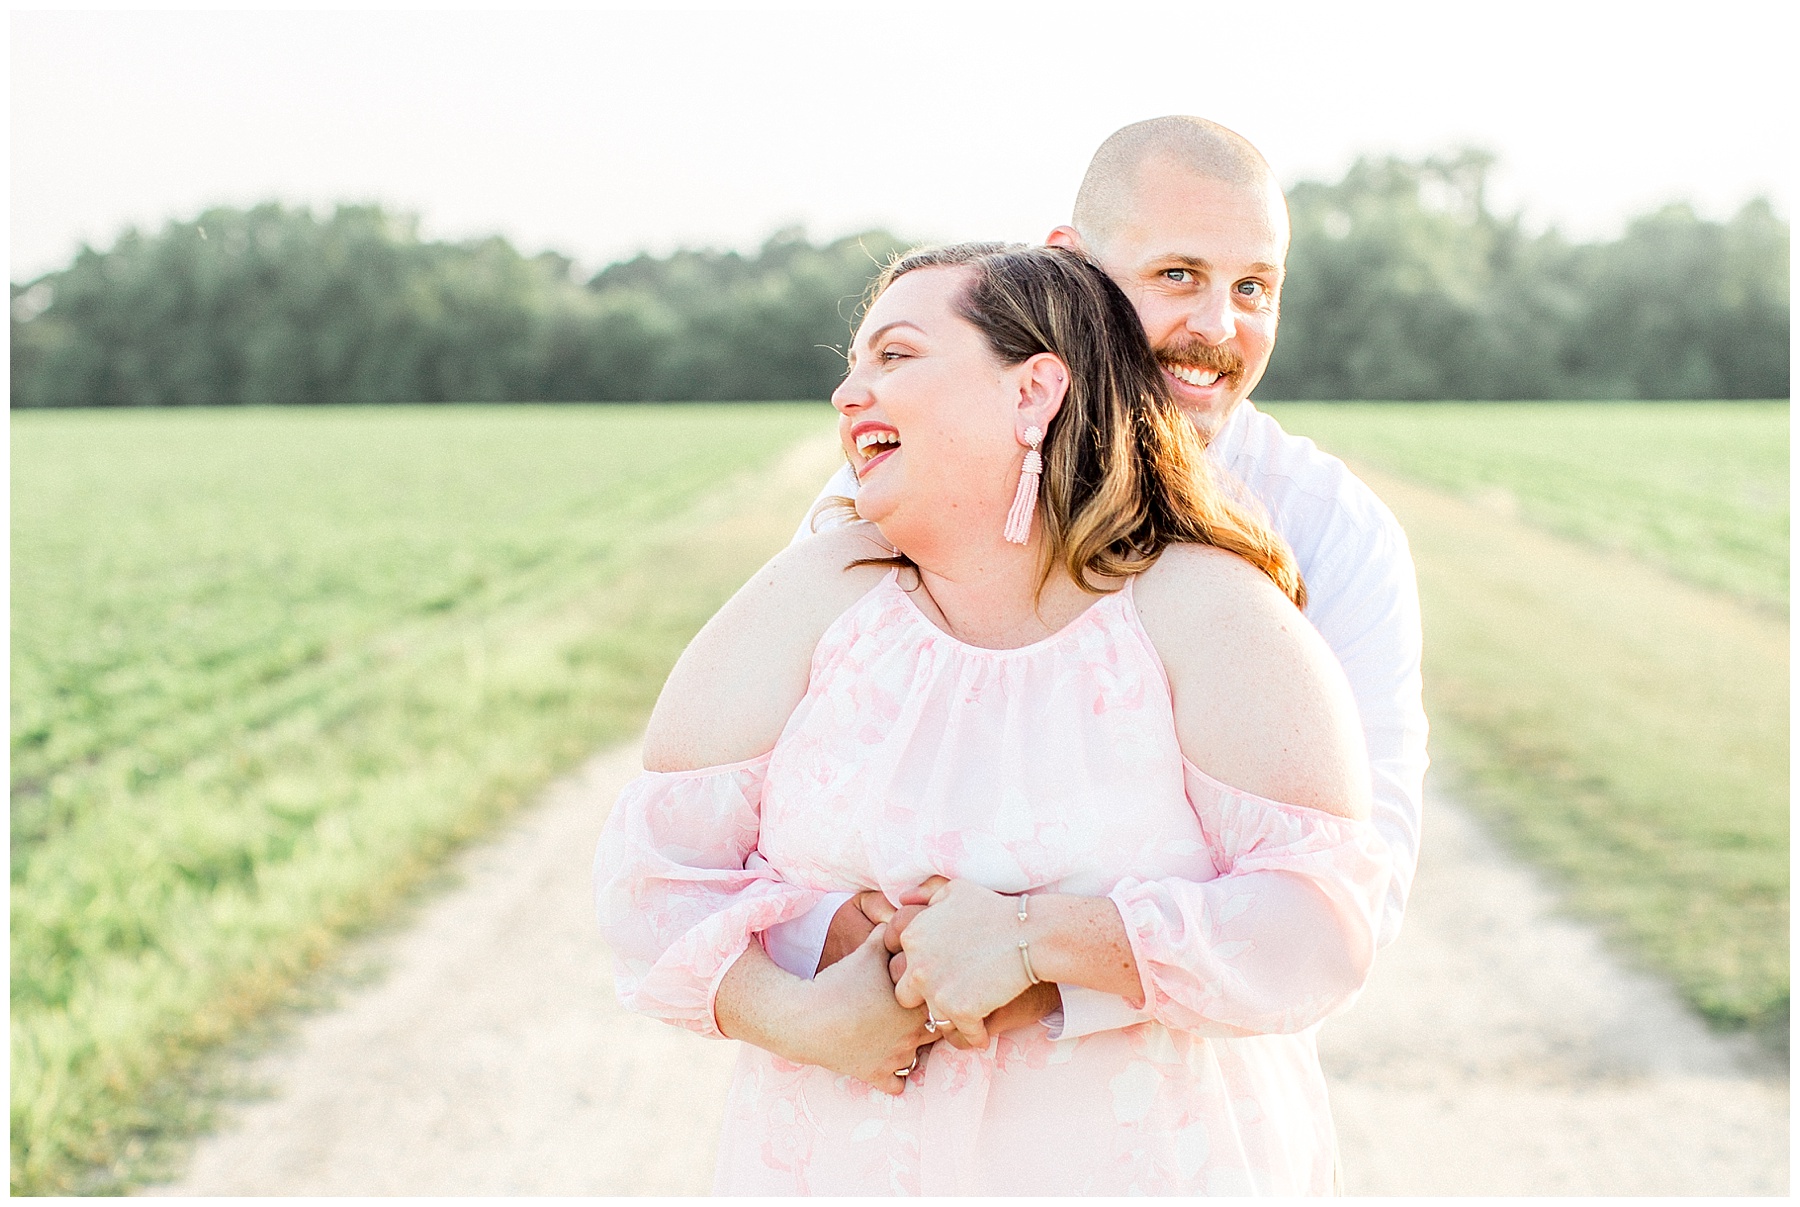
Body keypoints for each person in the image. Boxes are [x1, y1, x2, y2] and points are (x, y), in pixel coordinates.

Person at [594, 242, 1391, 1194]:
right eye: (852, 365)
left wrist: (1039, 943)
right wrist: (803, 1006)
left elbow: (1324, 917)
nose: (850, 394)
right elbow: (652, 877)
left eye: (894, 356)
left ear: (1034, 392)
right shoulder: (814, 593)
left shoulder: (1207, 611)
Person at [772, 118, 1427, 1018]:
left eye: (1254, 287)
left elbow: (1357, 888)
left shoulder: (1335, 533)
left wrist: (1044, 968)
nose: (1217, 325)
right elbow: (762, 787)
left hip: (1172, 1109)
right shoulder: (896, 486)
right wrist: (847, 935)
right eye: (1177, 276)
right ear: (1071, 262)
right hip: (888, 1079)